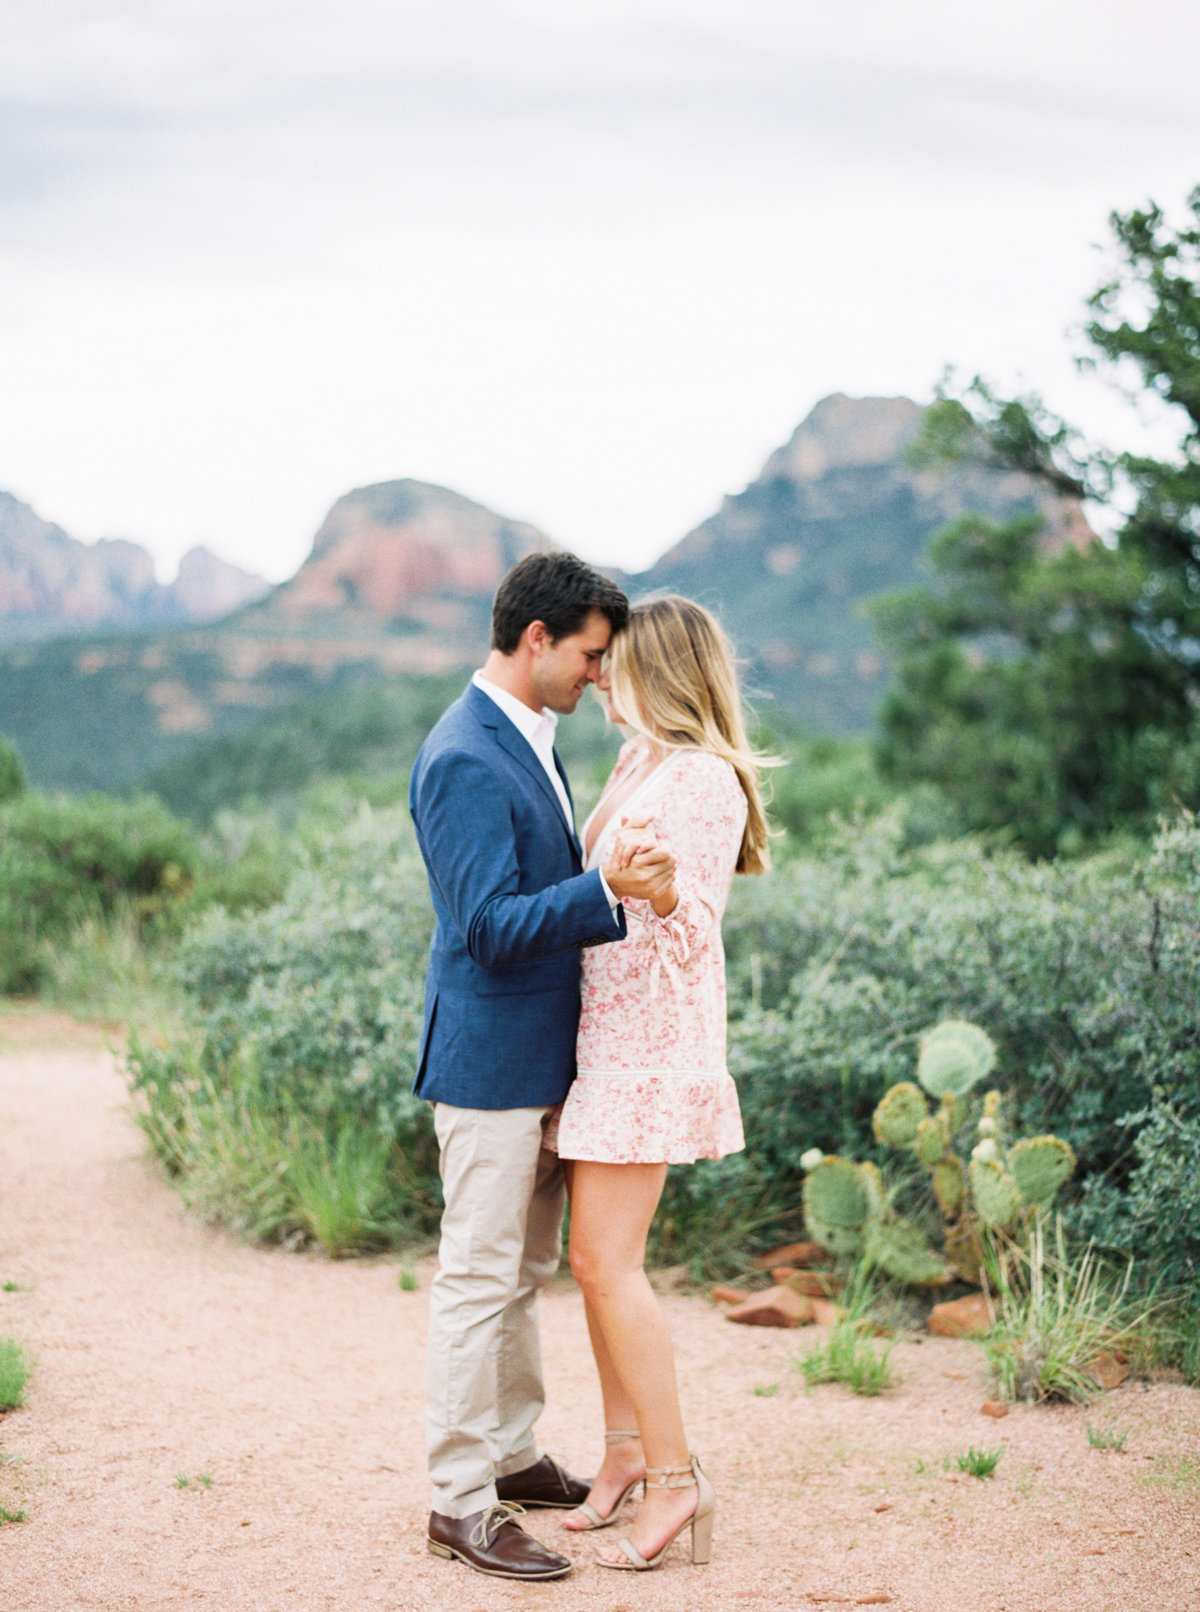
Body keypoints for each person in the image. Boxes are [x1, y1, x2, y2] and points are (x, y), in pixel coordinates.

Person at [408, 551, 677, 1583]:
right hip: (486, 1067)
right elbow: (484, 927)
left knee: (517, 1275)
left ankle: (513, 1456)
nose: (599, 677)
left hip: (534, 1063)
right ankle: (460, 1499)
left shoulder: (530, 735)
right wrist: (604, 888)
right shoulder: (466, 754)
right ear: (536, 640)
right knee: (477, 1281)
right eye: (591, 657)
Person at [545, 593, 774, 1572]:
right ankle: (624, 1454)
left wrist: (667, 889)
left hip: (649, 1051)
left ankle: (678, 1479)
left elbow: (696, 927)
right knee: (593, 1264)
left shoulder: (707, 779)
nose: (600, 677)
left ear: (661, 670)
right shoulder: (642, 760)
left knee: (607, 1263)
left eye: (616, 663)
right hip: (605, 1042)